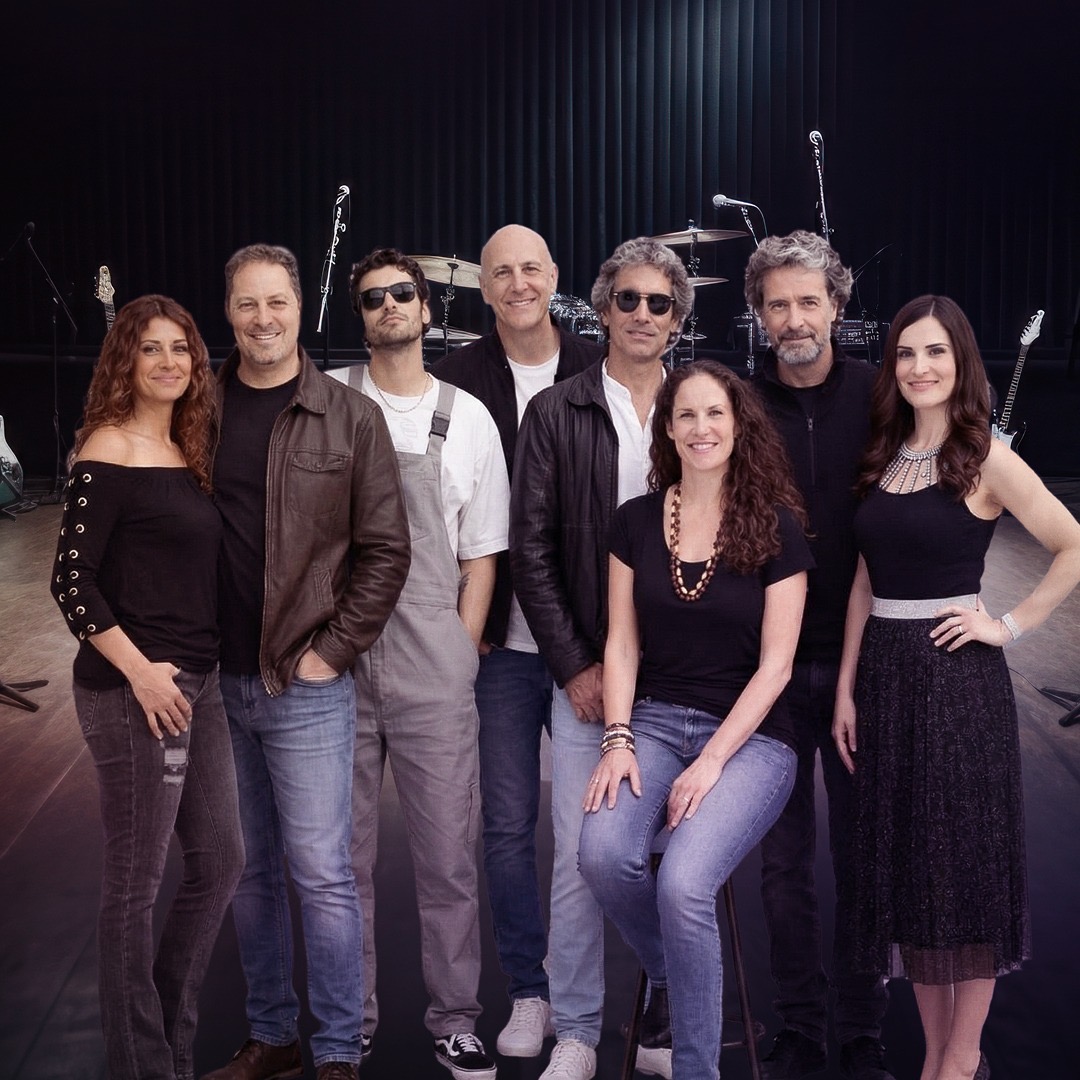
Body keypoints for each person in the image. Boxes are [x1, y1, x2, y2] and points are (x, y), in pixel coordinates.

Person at [832, 295, 1080, 1080]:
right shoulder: (883, 452)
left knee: (964, 871)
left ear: (961, 360)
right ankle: (936, 1054)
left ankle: (963, 1054)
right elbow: (863, 581)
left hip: (957, 687)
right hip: (885, 682)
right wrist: (845, 689)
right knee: (913, 874)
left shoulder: (985, 457)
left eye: (935, 351)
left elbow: (1073, 544)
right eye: (906, 353)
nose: (919, 366)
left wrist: (1007, 626)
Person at [204, 245, 410, 1080]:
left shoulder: (348, 416)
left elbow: (386, 551)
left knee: (323, 874)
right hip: (213, 681)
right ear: (228, 311)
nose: (263, 319)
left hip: (305, 683)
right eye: (247, 304)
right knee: (247, 872)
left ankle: (335, 1049)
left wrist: (331, 652)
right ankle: (272, 1033)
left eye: (277, 302)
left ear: (300, 307)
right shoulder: (198, 408)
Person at [578, 360, 813, 1079]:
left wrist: (712, 762)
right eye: (686, 415)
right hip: (652, 723)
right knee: (602, 854)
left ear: (739, 425)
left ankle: (696, 1069)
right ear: (669, 429)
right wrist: (617, 738)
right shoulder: (635, 521)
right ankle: (675, 972)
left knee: (683, 884)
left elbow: (776, 667)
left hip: (753, 740)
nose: (701, 428)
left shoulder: (777, 527)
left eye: (715, 413)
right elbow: (622, 644)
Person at [509, 236, 692, 1080]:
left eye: (660, 303)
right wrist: (574, 665)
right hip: (590, 669)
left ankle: (664, 1019)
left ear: (677, 319)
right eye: (629, 299)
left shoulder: (704, 405)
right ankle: (578, 1031)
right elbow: (530, 551)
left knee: (676, 862)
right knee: (583, 857)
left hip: (687, 677)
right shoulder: (556, 412)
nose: (643, 314)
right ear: (602, 309)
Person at [50, 295, 244, 1080]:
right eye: (151, 348)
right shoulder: (107, 446)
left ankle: (168, 1042)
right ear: (124, 362)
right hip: (134, 692)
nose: (169, 362)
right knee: (135, 886)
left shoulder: (187, 449)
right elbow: (72, 582)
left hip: (200, 682)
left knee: (221, 860)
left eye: (181, 349)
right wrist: (139, 673)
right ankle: (140, 1066)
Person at [333, 248, 509, 1080]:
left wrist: (460, 651)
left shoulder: (467, 417)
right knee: (340, 862)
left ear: (427, 308)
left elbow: (482, 554)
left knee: (447, 859)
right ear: (361, 316)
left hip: (433, 665)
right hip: (334, 664)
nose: (390, 307)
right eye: (373, 299)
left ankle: (456, 1020)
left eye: (403, 294)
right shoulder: (327, 397)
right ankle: (349, 1023)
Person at [433, 224, 602, 1060]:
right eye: (501, 272)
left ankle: (580, 1003)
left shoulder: (597, 367)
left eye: (531, 268)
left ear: (554, 276)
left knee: (585, 836)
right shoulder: (457, 380)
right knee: (504, 828)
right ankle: (528, 992)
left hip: (583, 644)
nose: (518, 283)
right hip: (498, 645)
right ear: (483, 286)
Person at [744, 230, 894, 1080]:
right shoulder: (737, 405)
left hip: (862, 667)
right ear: (759, 315)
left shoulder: (882, 396)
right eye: (778, 305)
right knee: (782, 865)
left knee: (864, 856)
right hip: (764, 670)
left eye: (809, 301)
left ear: (837, 304)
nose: (794, 318)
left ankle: (864, 1028)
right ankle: (799, 1025)